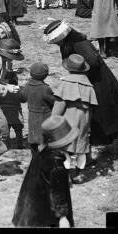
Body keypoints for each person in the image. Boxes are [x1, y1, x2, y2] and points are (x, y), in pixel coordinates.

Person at [12, 115, 76, 227]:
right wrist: (63, 217)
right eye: (68, 140)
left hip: (30, 210)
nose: (71, 142)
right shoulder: (57, 164)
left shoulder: (42, 154)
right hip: (45, 217)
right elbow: (57, 193)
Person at [50, 54, 98, 184]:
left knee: (65, 148)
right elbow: (91, 108)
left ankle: (66, 173)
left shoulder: (66, 83)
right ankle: (79, 173)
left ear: (68, 68)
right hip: (84, 120)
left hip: (68, 120)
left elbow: (59, 106)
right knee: (81, 146)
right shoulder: (89, 86)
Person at [20, 63, 55, 155]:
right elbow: (54, 101)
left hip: (32, 116)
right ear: (45, 75)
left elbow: (23, 98)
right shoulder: (45, 88)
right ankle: (43, 159)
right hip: (45, 116)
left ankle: (34, 156)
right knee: (44, 139)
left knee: (33, 136)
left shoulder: (27, 86)